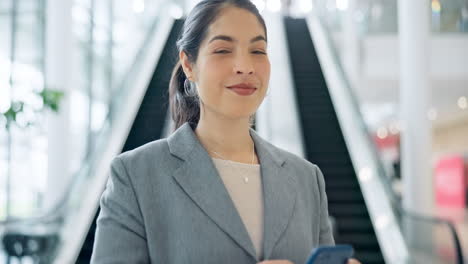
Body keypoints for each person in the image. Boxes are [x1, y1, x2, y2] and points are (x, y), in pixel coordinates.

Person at [91, 0, 361, 263]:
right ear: (188, 64)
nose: (245, 66)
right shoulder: (136, 175)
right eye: (222, 50)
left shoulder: (306, 178)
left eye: (258, 51)